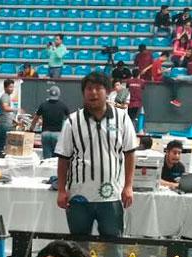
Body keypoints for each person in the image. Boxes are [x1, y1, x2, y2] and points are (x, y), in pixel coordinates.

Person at [56, 72, 137, 243]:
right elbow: (63, 158)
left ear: (107, 91)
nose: (93, 93)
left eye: (98, 88)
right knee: (78, 246)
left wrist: (128, 186)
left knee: (113, 246)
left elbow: (130, 153)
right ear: (83, 93)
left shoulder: (122, 118)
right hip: (79, 196)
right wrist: (61, 190)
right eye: (89, 88)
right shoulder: (72, 121)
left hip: (112, 196)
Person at [29, 84, 70, 160]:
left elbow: (35, 118)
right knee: (56, 159)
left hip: (45, 134)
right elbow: (70, 119)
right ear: (59, 94)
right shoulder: (63, 105)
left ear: (49, 94)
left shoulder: (43, 105)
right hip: (57, 134)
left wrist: (31, 129)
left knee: (47, 159)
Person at [0, 79, 15, 158]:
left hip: (7, 124)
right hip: (4, 125)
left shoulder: (8, 97)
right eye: (10, 87)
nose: (12, 89)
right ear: (5, 88)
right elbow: (5, 108)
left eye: (13, 87)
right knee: (1, 146)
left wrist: (14, 121)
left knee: (4, 145)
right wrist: (16, 109)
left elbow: (8, 113)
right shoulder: (5, 97)